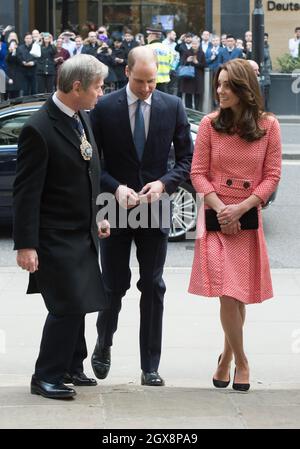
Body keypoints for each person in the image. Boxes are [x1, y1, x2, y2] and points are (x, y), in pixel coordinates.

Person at [89, 46, 193, 386]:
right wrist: (113, 186)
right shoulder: (104, 108)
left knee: (152, 285)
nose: (147, 88)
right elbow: (92, 162)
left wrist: (164, 185)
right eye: (140, 81)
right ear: (127, 73)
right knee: (113, 286)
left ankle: (150, 364)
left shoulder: (172, 106)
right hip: (114, 204)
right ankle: (103, 342)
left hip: (155, 203)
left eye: (152, 81)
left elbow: (186, 160)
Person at [13, 54, 110, 400]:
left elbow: (87, 175)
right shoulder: (38, 129)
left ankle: (72, 365)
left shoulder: (79, 117)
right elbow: (26, 194)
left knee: (81, 300)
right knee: (67, 304)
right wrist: (26, 246)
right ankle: (46, 375)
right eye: (98, 87)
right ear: (76, 87)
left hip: (80, 232)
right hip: (54, 235)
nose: (102, 92)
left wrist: (98, 216)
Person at [188, 58, 281, 392]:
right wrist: (220, 208)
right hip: (215, 213)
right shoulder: (210, 124)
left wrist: (241, 208)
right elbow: (197, 172)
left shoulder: (269, 125)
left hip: (247, 213)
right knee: (227, 292)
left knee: (236, 295)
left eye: (228, 85)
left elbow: (272, 176)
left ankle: (227, 358)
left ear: (244, 89)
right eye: (218, 83)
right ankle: (242, 360)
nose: (220, 90)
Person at [181, 37, 206, 110]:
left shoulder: (201, 53)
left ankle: (197, 112)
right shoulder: (187, 52)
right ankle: (188, 113)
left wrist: (197, 63)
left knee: (197, 96)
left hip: (198, 77)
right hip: (188, 77)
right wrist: (187, 61)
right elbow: (182, 64)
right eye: (193, 43)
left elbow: (204, 66)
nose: (194, 45)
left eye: (196, 43)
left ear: (199, 44)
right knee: (188, 96)